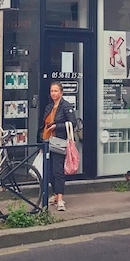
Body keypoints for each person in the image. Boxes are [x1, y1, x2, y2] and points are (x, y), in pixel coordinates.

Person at [40, 81, 77, 211]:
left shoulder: (66, 106)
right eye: (51, 91)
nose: (53, 93)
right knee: (48, 171)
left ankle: (60, 199)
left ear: (61, 92)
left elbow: (73, 123)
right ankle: (55, 195)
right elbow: (44, 124)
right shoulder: (49, 107)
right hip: (47, 141)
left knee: (58, 170)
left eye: (56, 91)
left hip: (59, 142)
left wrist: (57, 126)